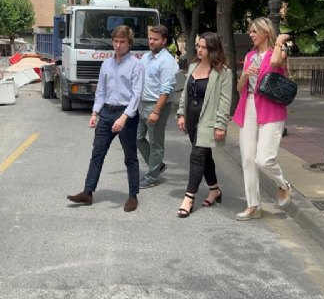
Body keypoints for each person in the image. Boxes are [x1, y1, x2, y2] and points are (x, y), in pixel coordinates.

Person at [67, 25, 144, 212]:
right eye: (115, 41)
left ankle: (133, 195)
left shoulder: (136, 65)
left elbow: (137, 95)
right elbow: (101, 91)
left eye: (122, 42)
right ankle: (87, 192)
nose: (118, 45)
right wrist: (95, 113)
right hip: (107, 113)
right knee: (97, 154)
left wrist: (125, 117)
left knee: (130, 157)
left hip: (126, 114)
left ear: (129, 43)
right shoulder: (106, 65)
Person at [233, 17, 292, 221]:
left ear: (266, 32)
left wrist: (279, 42)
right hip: (248, 105)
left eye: (254, 31)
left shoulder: (279, 52)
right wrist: (245, 75)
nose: (251, 35)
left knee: (264, 159)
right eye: (250, 31)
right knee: (248, 159)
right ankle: (253, 205)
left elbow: (275, 63)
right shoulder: (250, 56)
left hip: (271, 108)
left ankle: (283, 185)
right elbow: (240, 88)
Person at [175, 32, 232, 218]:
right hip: (192, 118)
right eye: (198, 46)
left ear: (212, 49)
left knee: (197, 156)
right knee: (205, 157)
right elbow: (185, 93)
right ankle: (214, 190)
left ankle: (188, 198)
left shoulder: (223, 72)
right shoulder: (192, 67)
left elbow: (225, 101)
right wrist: (181, 113)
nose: (199, 49)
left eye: (203, 47)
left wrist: (221, 125)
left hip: (208, 120)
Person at [137, 25, 179, 188]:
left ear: (164, 41)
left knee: (155, 142)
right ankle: (157, 165)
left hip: (157, 105)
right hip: (143, 103)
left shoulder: (166, 61)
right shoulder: (146, 57)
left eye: (155, 39)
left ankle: (152, 176)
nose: (151, 42)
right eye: (150, 39)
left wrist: (156, 111)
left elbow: (166, 90)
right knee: (138, 138)